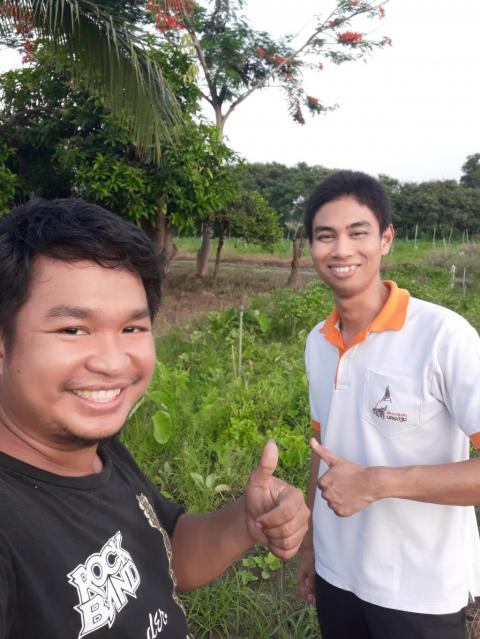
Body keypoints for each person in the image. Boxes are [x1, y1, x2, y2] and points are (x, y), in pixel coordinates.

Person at [0, 198, 309, 639]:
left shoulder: (99, 449)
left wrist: (245, 519)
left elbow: (167, 553)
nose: (112, 362)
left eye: (132, 328)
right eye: (73, 330)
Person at [297, 170, 480, 639]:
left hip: (419, 589)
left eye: (358, 232)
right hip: (336, 574)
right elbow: (322, 446)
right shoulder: (318, 341)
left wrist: (377, 483)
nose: (341, 250)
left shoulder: (443, 337)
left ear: (386, 239)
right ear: (311, 247)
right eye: (326, 236)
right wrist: (312, 545)